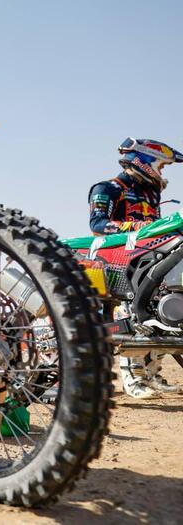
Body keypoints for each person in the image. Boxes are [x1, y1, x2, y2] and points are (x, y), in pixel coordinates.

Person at [89, 137, 183, 399]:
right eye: (161, 166)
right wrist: (135, 227)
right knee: (132, 317)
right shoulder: (108, 188)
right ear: (145, 161)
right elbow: (97, 225)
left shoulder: (151, 192)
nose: (162, 172)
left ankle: (151, 374)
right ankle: (133, 378)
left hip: (151, 261)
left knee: (159, 317)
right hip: (117, 261)